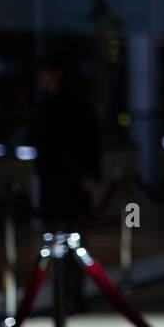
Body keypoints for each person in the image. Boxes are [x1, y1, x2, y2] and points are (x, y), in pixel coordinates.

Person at [32, 51, 103, 227]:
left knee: (72, 225)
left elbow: (86, 140)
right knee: (57, 225)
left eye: (44, 73)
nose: (41, 78)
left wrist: (88, 173)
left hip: (71, 177)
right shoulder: (47, 103)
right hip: (54, 175)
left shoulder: (74, 103)